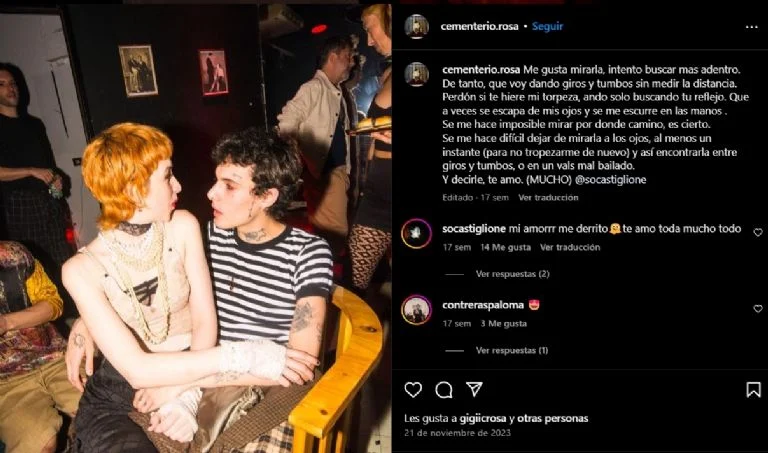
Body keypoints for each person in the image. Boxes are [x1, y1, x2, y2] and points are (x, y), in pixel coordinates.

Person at [66, 126, 330, 451]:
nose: (210, 193)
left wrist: (181, 386)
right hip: (200, 372)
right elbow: (135, 280)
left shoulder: (307, 251)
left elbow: (299, 363)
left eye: (229, 186)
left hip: (261, 380)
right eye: (216, 180)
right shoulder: (205, 235)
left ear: (266, 197)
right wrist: (86, 322)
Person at [0, 62, 76, 324]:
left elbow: (47, 165)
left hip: (48, 202)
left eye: (13, 83)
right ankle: (45, 321)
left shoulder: (34, 124)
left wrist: (56, 179)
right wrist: (31, 171)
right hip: (19, 205)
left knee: (61, 258)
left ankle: (71, 315)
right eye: (2, 84)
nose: (11, 88)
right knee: (35, 267)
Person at [0, 241, 81, 453]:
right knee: (39, 442)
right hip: (7, 382)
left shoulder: (15, 256)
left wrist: (6, 322)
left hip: (54, 357)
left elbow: (53, 303)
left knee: (100, 413)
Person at [277, 35, 355, 256]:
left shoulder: (335, 90)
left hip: (330, 175)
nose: (351, 62)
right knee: (335, 238)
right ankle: (333, 272)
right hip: (325, 176)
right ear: (333, 57)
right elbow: (287, 121)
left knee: (326, 236)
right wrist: (295, 159)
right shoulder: (313, 88)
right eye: (347, 57)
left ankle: (325, 268)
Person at [347, 5, 393, 295]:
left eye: (369, 27)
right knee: (353, 282)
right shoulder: (388, 71)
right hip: (378, 192)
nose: (369, 40)